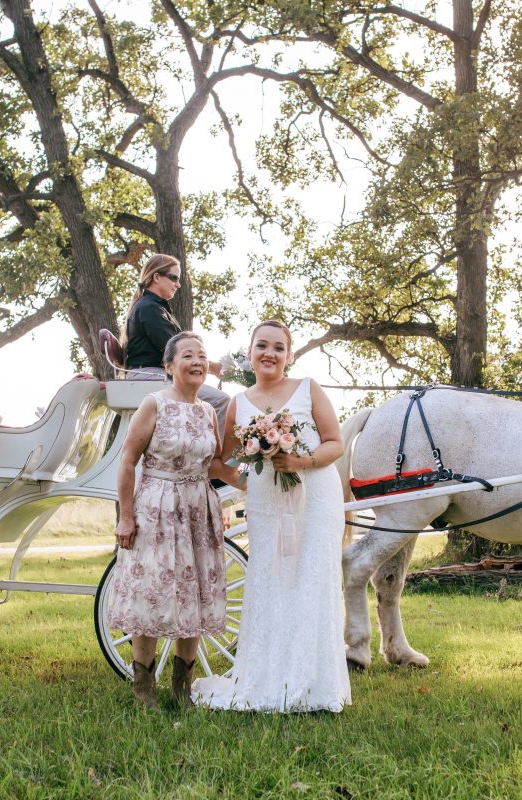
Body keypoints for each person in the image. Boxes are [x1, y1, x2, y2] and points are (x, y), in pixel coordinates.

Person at [192, 320, 351, 713]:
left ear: (289, 356)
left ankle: (315, 686)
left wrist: (298, 460)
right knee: (272, 579)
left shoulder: (308, 389)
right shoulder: (237, 404)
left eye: (278, 347)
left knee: (312, 578)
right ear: (249, 354)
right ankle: (268, 679)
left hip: (315, 498)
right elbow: (221, 459)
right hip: (267, 502)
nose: (270, 353)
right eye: (261, 346)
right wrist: (243, 480)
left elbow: (335, 443)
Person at [106, 332, 233, 709]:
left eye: (202, 356)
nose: (197, 362)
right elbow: (128, 460)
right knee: (153, 594)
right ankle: (144, 689)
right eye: (188, 356)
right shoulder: (154, 404)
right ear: (169, 366)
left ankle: (182, 687)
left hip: (199, 508)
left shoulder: (208, 411)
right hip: (157, 506)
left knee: (194, 594)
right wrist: (125, 517)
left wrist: (254, 479)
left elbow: (212, 464)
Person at [121, 254, 230, 421]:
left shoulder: (156, 308)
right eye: (173, 278)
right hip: (150, 375)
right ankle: (217, 448)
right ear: (156, 277)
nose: (178, 284)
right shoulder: (149, 308)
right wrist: (211, 367)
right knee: (221, 401)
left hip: (156, 374)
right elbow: (174, 353)